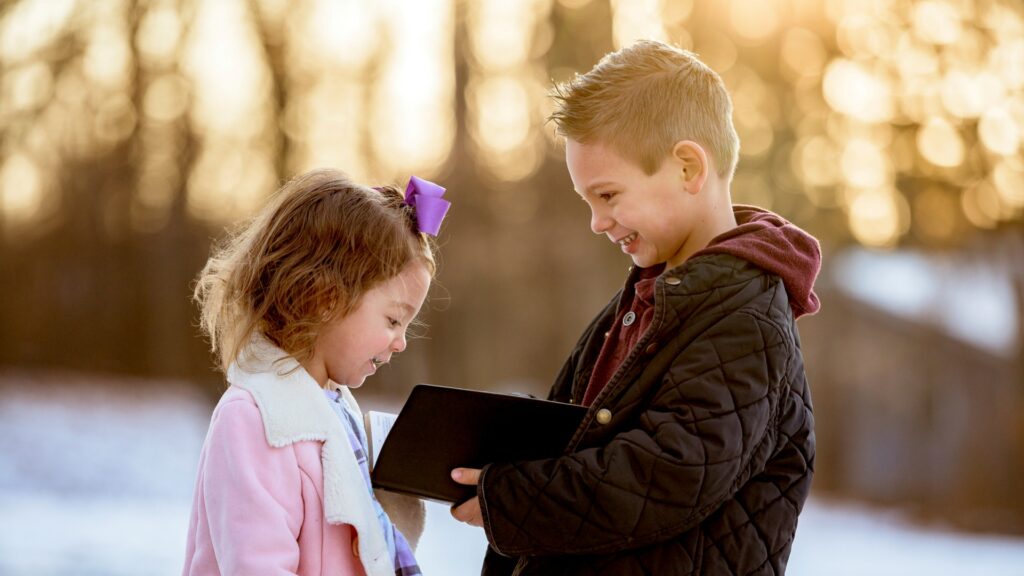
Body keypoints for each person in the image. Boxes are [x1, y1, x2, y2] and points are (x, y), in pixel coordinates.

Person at [451, 39, 820, 575]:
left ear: (689, 168)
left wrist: (512, 496)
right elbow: (583, 434)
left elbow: (668, 473)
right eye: (588, 202)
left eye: (607, 195)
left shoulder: (747, 318)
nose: (598, 222)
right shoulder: (647, 299)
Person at [182, 169, 450, 576]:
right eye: (394, 321)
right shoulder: (256, 419)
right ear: (325, 298)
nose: (401, 342)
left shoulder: (335, 410)